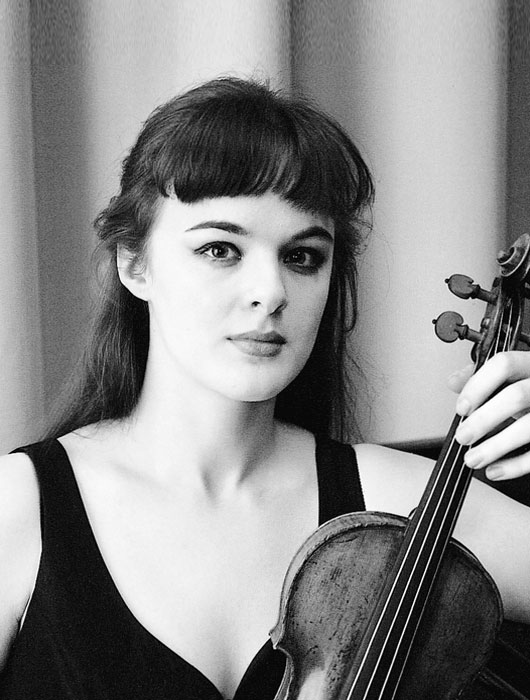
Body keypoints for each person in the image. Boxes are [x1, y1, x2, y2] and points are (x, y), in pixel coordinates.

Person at [0, 77, 529, 700]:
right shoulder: (19, 510)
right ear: (134, 264)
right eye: (220, 249)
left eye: (302, 257)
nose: (271, 292)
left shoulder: (399, 508)